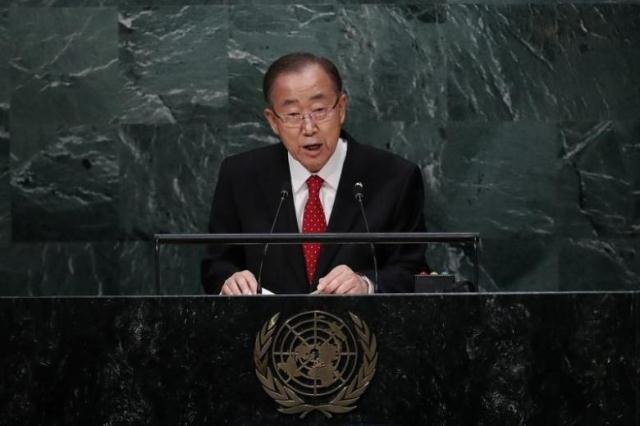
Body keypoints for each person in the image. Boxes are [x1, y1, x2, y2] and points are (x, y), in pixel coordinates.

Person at [201, 52, 426, 295]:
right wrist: (230, 280)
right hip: (268, 331)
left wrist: (367, 284)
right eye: (293, 115)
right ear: (273, 121)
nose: (309, 128)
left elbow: (412, 270)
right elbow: (217, 263)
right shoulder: (241, 176)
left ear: (341, 108)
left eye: (319, 110)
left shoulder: (395, 178)